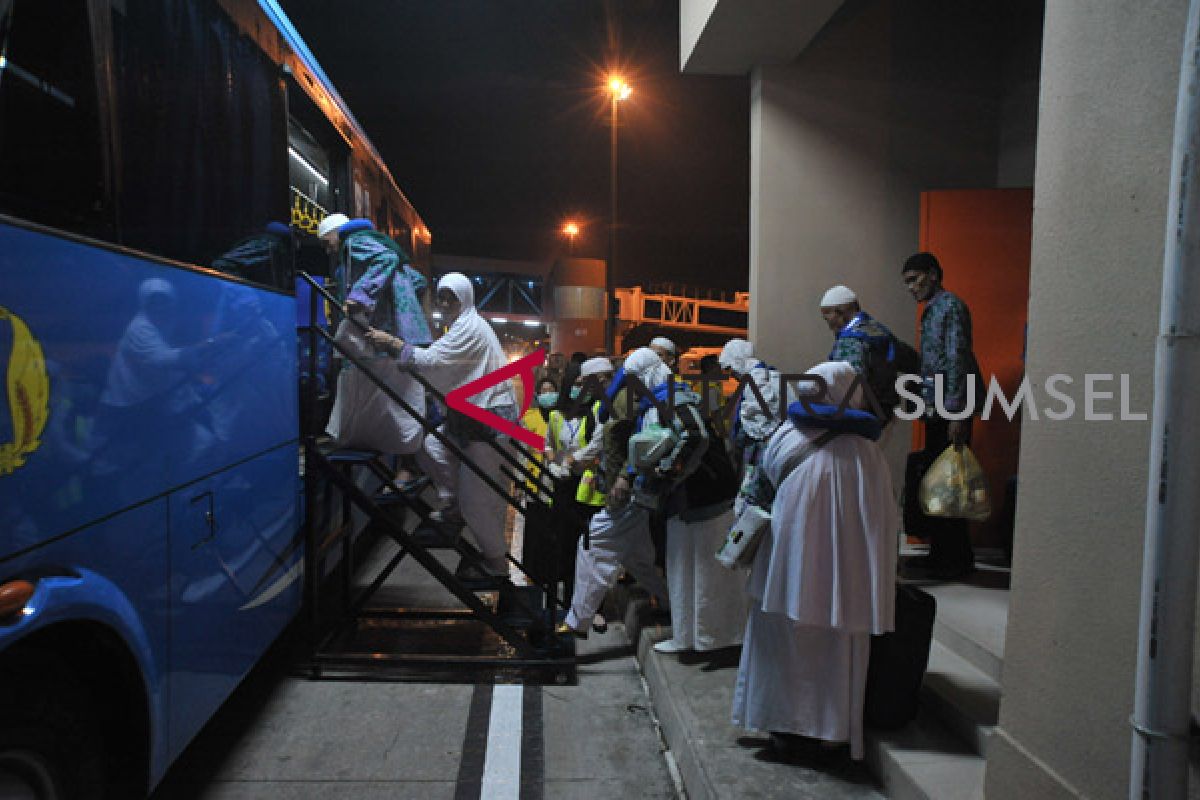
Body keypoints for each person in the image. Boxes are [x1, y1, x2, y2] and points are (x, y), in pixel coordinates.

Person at [731, 361, 898, 763]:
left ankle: (785, 731)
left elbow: (759, 488)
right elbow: (883, 520)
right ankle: (828, 733)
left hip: (786, 572)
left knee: (783, 644)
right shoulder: (869, 453)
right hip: (847, 582)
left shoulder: (786, 436)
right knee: (834, 653)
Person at [365, 272, 516, 578]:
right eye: (442, 296)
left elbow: (433, 361)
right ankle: (453, 503)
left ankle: (497, 565)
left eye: (452, 297)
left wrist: (393, 343)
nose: (445, 303)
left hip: (489, 421)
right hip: (471, 420)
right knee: (430, 445)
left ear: (466, 298)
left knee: (477, 500)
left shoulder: (469, 328)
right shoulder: (462, 325)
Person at [556, 348, 674, 637]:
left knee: (592, 542)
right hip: (631, 492)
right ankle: (673, 603)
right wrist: (574, 463)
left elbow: (637, 442)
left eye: (586, 382)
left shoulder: (621, 401)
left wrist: (622, 477)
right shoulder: (608, 403)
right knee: (640, 560)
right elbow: (600, 445)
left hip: (629, 492)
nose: (582, 389)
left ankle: (577, 620)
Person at [318, 213, 431, 455]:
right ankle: (403, 454)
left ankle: (356, 437)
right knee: (398, 391)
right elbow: (418, 281)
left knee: (366, 382)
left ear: (336, 232)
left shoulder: (354, 242)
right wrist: (402, 305)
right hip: (401, 330)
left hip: (383, 328)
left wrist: (361, 296)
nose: (328, 249)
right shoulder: (377, 241)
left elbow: (385, 259)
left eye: (327, 241)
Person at [901, 252, 981, 579]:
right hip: (939, 409)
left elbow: (956, 359)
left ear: (932, 274)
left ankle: (955, 560)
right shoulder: (934, 310)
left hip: (951, 409)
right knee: (939, 482)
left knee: (949, 484)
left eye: (913, 279)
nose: (910, 288)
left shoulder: (950, 308)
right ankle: (943, 555)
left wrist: (957, 413)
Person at [718, 339, 785, 515]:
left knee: (751, 506)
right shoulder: (772, 377)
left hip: (757, 455)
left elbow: (754, 429)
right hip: (769, 453)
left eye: (730, 369)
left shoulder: (756, 384)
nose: (731, 375)